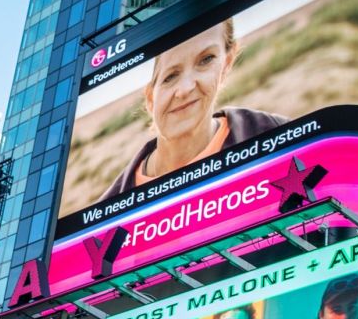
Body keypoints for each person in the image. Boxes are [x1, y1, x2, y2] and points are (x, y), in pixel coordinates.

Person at [100, 20, 288, 200]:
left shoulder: (275, 133)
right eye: (170, 77)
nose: (185, 89)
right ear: (150, 98)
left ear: (226, 64)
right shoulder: (105, 213)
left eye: (206, 60)